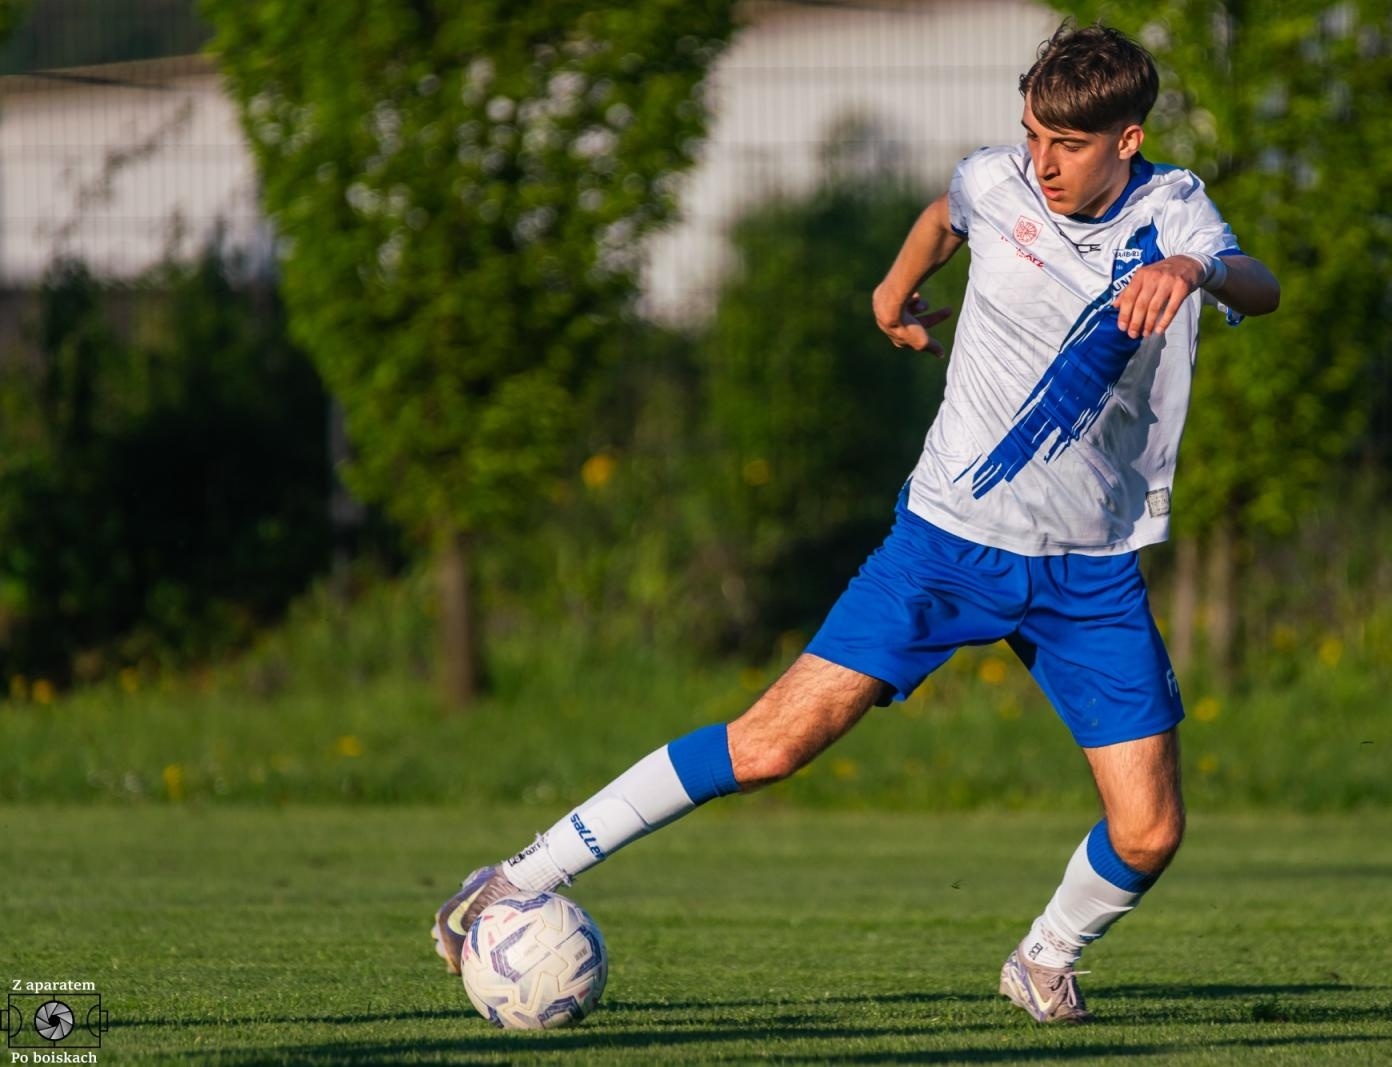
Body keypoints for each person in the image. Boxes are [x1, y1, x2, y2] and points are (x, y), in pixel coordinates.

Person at [431, 20, 1280, 1024]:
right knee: (768, 746)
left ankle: (1044, 956)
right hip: (945, 544)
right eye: (1031, 134)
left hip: (1088, 569)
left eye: (1068, 144)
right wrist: (893, 287)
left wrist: (1191, 273)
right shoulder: (997, 180)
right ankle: (514, 877)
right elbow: (945, 215)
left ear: (1127, 140)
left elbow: (1256, 282)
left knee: (1149, 831)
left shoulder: (1172, 210)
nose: (1041, 162)